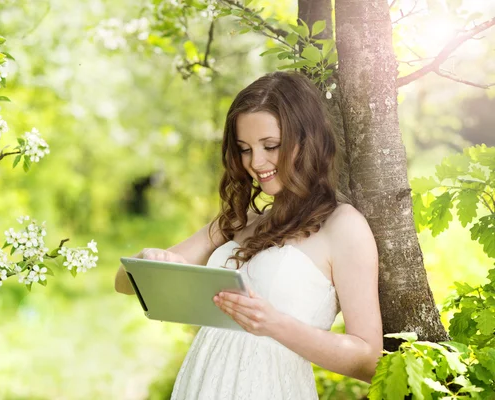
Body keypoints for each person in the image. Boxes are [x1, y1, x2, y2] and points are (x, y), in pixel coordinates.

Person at [115, 71, 383, 399]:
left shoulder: (343, 226)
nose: (256, 162)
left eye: (270, 146)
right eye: (244, 149)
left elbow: (369, 360)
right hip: (201, 385)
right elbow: (125, 282)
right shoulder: (242, 221)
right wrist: (149, 259)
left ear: (306, 139)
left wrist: (273, 324)